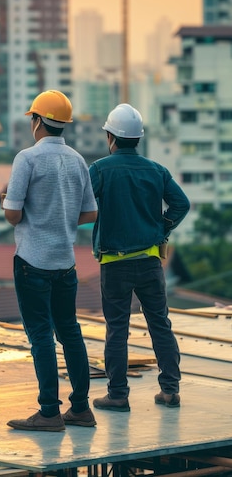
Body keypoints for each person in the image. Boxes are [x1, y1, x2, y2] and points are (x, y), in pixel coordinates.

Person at [2, 90, 98, 432]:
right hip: (65, 262)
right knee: (70, 333)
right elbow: (89, 212)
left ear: (37, 120)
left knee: (41, 335)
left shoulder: (26, 159)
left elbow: (12, 216)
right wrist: (61, 214)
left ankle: (48, 412)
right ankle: (81, 409)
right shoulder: (77, 160)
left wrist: (14, 204)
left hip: (32, 261)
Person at [89, 103, 190, 412]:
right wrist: (162, 228)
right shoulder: (156, 170)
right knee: (160, 324)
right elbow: (181, 204)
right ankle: (170, 390)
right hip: (149, 262)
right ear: (138, 138)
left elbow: (81, 207)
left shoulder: (100, 170)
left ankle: (118, 395)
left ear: (111, 136)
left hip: (114, 264)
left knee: (117, 329)